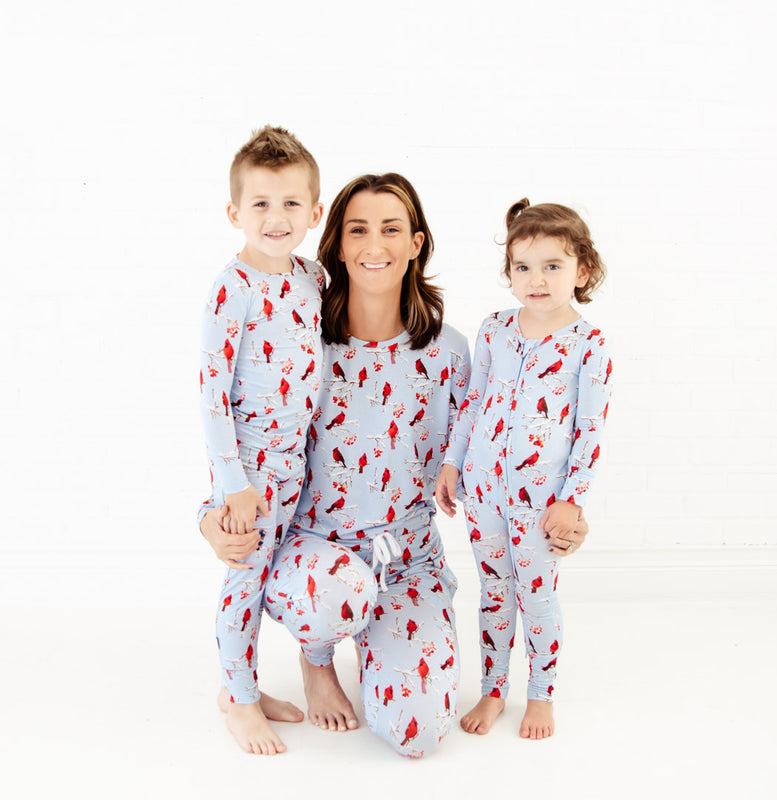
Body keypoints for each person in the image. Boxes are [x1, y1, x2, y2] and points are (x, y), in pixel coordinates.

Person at [201, 177, 591, 757]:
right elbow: (255, 435)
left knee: (417, 734)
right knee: (337, 593)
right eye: (357, 229)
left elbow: (500, 450)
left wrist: (563, 508)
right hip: (313, 556)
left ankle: (382, 647)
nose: (373, 244)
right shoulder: (302, 341)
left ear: (415, 243)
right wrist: (212, 514)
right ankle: (318, 660)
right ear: (335, 243)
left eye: (390, 229)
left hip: (405, 560)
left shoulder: (455, 353)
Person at [435, 200, 612, 740]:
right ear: (509, 272)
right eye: (523, 267)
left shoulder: (589, 345)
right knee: (493, 589)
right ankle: (493, 691)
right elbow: (472, 402)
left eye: (552, 266)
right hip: (483, 489)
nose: (536, 279)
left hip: (542, 499)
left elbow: (590, 429)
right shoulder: (494, 330)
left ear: (582, 270)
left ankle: (541, 693)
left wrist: (572, 497)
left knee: (536, 594)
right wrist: (451, 464)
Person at [199, 125, 324, 755]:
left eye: (291, 203)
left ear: (315, 211)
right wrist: (233, 485)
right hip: (250, 468)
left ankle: (240, 682)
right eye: (261, 204)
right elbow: (212, 392)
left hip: (296, 462)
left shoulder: (311, 276)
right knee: (245, 577)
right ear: (234, 212)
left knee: (271, 573)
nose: (276, 218)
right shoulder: (234, 289)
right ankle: (239, 701)